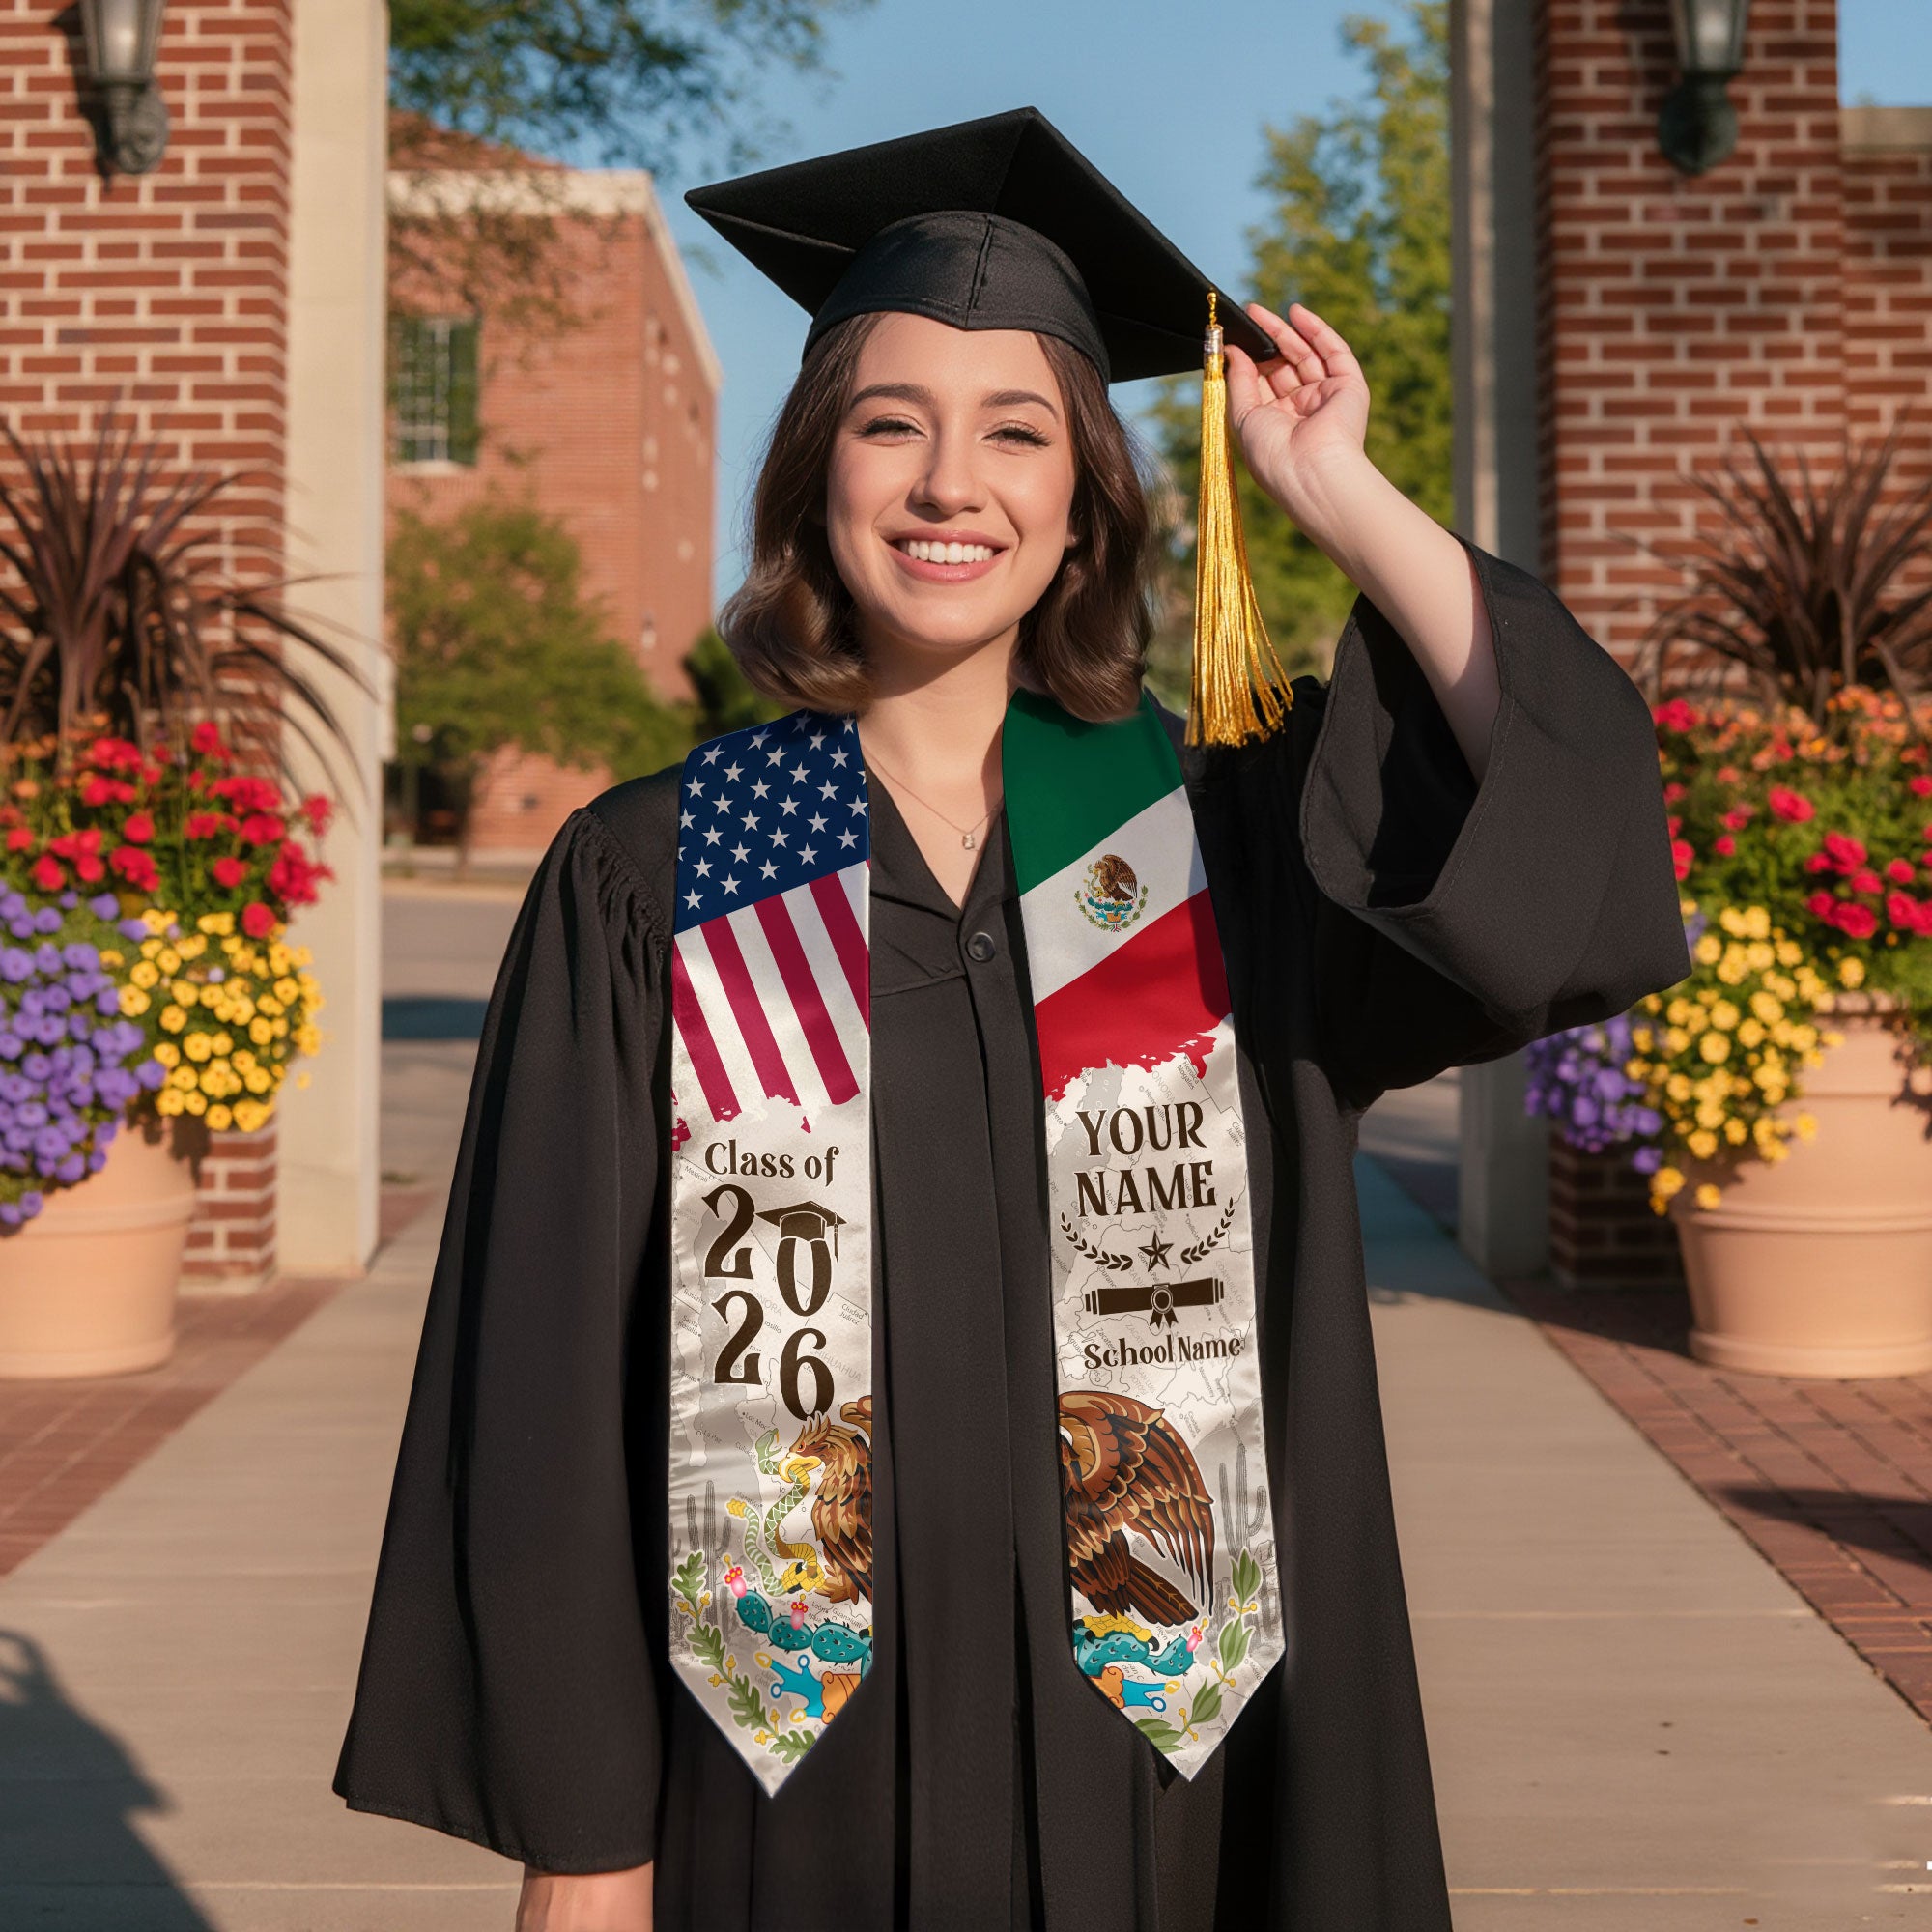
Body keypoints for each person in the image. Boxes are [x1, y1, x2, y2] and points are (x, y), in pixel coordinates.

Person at [333, 109, 1690, 1932]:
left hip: (1177, 1774)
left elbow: (1557, 834)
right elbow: (548, 1383)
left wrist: (1336, 491)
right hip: (781, 1783)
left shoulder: (1226, 850)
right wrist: (585, 1842)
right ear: (819, 472)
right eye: (892, 424)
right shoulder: (653, 876)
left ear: (1082, 505)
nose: (947, 483)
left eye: (1016, 433)